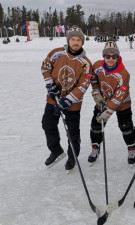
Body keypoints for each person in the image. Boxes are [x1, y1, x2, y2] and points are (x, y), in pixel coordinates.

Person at [41, 25, 92, 170]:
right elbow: (45, 68)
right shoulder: (56, 53)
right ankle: (56, 151)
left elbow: (83, 85)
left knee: (73, 132)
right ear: (69, 40)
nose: (75, 42)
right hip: (54, 97)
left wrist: (69, 99)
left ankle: (72, 157)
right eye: (73, 39)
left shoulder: (85, 63)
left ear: (82, 43)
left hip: (73, 103)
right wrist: (50, 85)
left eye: (78, 40)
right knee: (47, 124)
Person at [89, 39, 135, 166]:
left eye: (114, 56)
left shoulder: (123, 73)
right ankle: (95, 147)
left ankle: (132, 148)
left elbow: (120, 94)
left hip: (122, 104)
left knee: (125, 127)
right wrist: (95, 92)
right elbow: (93, 78)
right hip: (102, 101)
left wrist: (109, 110)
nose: (111, 59)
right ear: (104, 56)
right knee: (96, 125)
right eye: (108, 56)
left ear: (118, 57)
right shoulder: (97, 66)